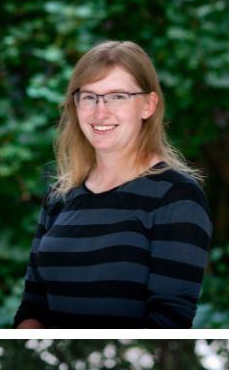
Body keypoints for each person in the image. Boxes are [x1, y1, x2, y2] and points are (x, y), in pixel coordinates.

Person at [13, 41, 212, 329]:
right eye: (89, 97)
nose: (100, 111)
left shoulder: (176, 197)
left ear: (148, 105)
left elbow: (168, 321)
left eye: (117, 96)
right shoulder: (60, 196)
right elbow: (33, 305)